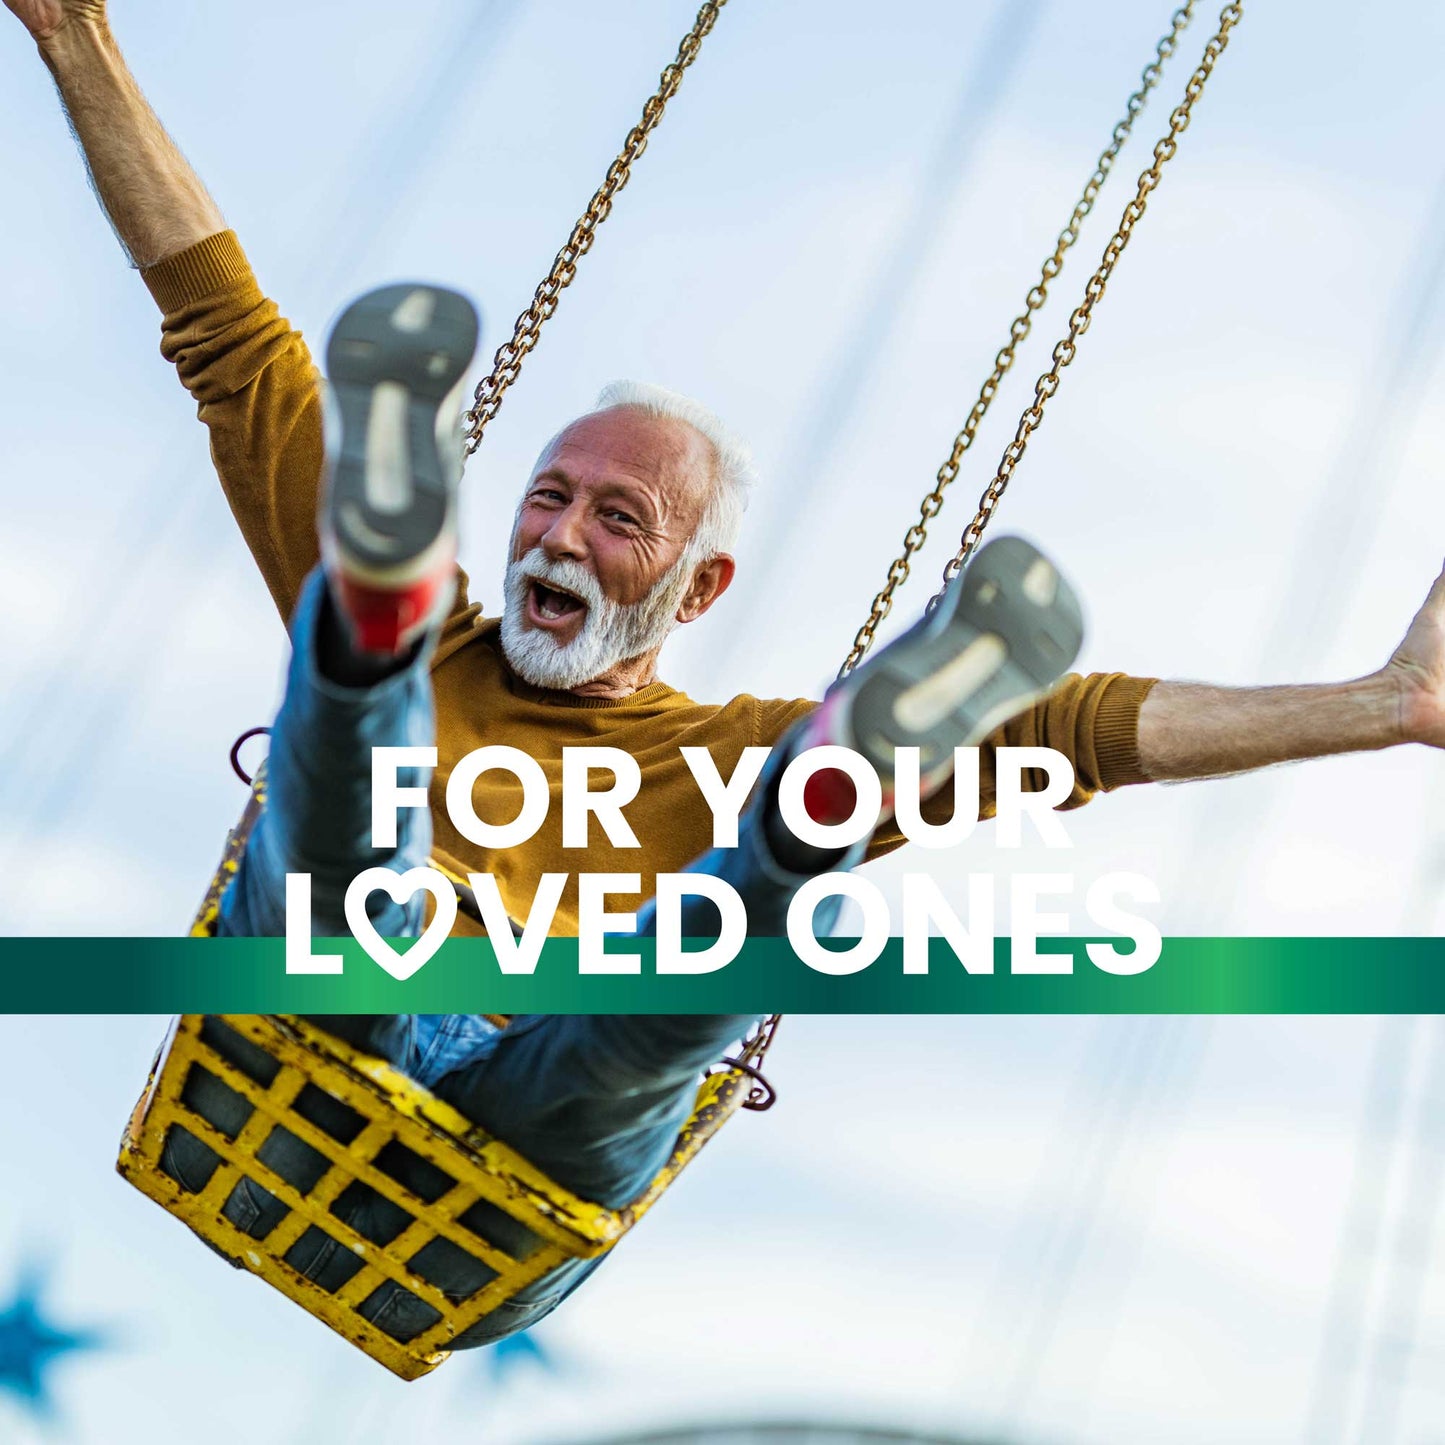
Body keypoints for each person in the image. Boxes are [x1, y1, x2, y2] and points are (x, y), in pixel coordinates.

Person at [13, 0, 1445, 1349]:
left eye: (617, 518)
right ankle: (371, 612)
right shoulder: (464, 639)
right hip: (312, 1043)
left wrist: (1378, 706)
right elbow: (226, 332)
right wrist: (73, 32)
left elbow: (1065, 730)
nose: (559, 533)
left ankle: (806, 822)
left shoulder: (714, 747)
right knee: (361, 855)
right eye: (546, 495)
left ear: (700, 588)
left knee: (660, 996)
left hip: (505, 1175)